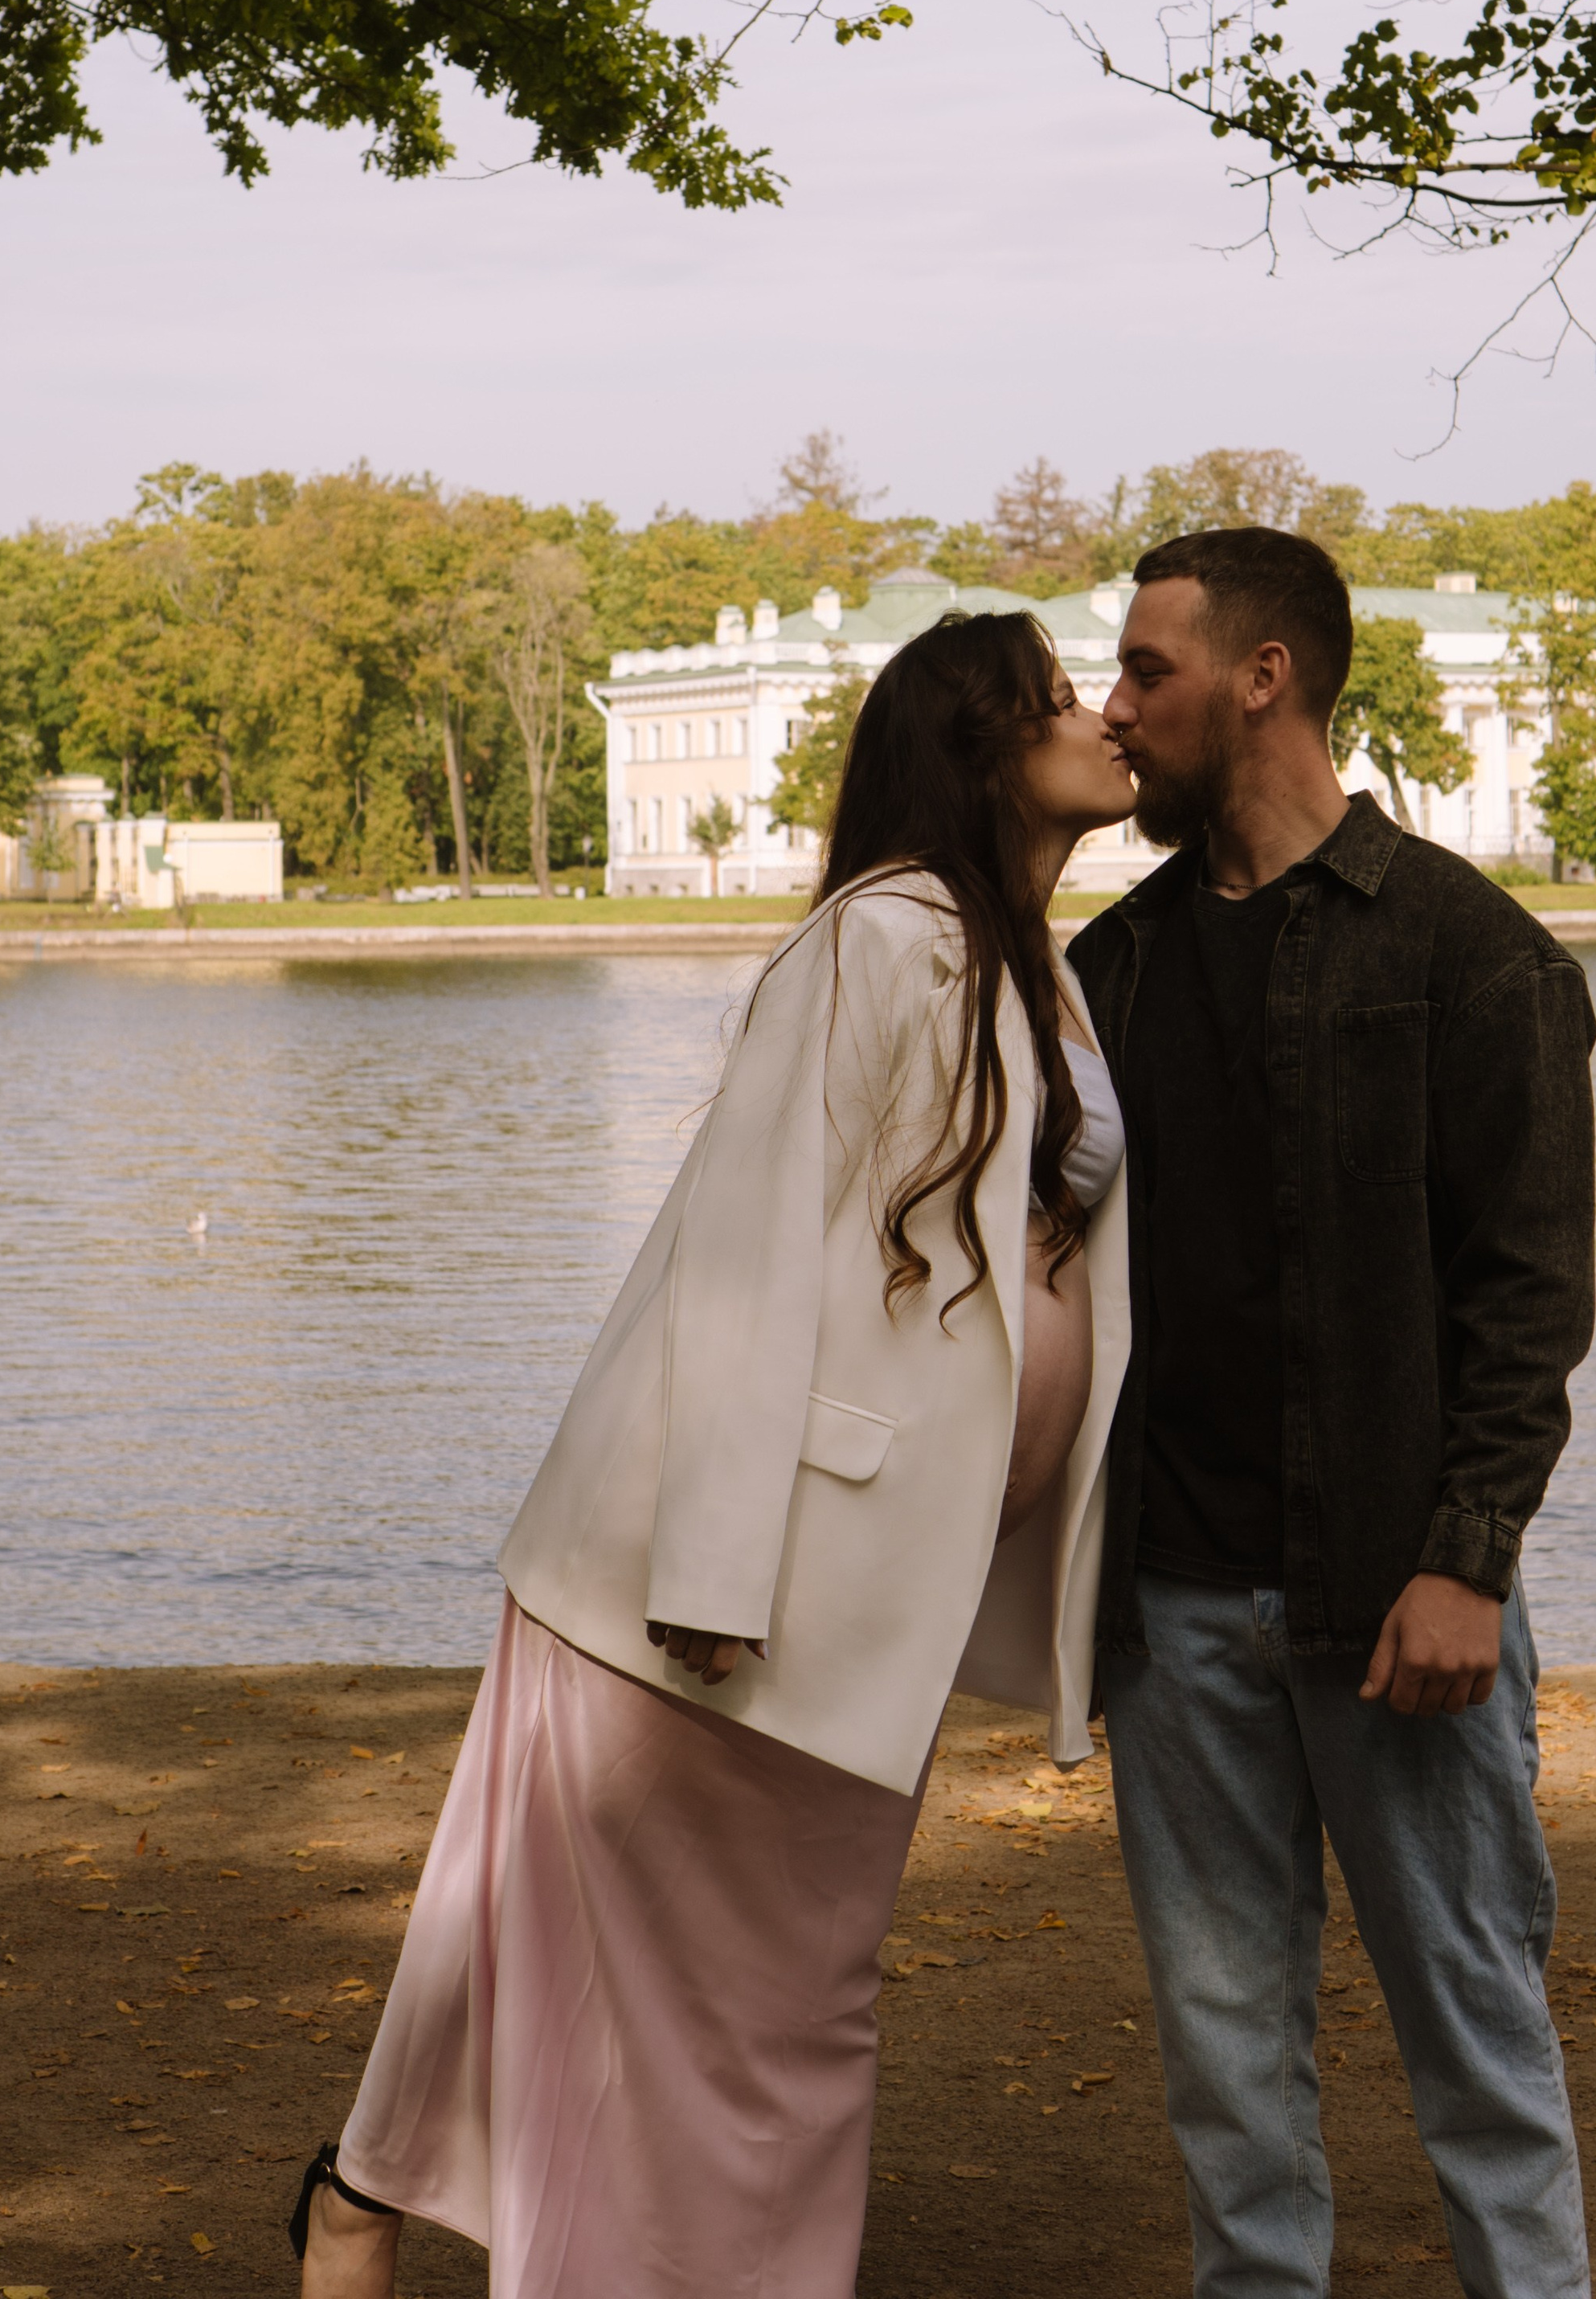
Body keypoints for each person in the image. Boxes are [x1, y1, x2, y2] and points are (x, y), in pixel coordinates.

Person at [290, 608, 1135, 2299]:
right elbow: (751, 1256)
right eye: (1058, 700)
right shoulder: (878, 943)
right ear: (980, 749)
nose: (1103, 716)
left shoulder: (1036, 961)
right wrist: (711, 1568)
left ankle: (359, 2194)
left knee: (658, 1957)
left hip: (881, 1585)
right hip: (749, 1582)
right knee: (756, 2007)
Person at [1067, 526, 1596, 2299]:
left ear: (1261, 676)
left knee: (1478, 2057)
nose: (1115, 707)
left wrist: (1465, 1563)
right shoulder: (1111, 972)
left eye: (1146, 671)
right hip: (1173, 1620)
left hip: (1400, 1606)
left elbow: (1522, 1302)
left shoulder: (1468, 952)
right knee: (1227, 2083)